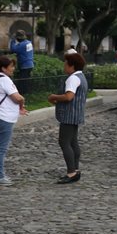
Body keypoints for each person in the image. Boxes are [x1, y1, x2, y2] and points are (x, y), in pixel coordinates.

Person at [48, 52, 89, 184]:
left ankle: (71, 172)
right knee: (73, 142)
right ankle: (75, 169)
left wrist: (54, 97)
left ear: (72, 65)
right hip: (76, 113)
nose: (64, 65)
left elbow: (69, 96)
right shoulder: (81, 77)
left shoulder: (72, 78)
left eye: (66, 63)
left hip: (69, 115)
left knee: (64, 142)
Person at [0, 55, 27, 186]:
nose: (13, 69)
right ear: (3, 68)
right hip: (4, 117)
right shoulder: (4, 80)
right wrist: (22, 104)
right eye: (11, 66)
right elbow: (17, 97)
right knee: (0, 149)